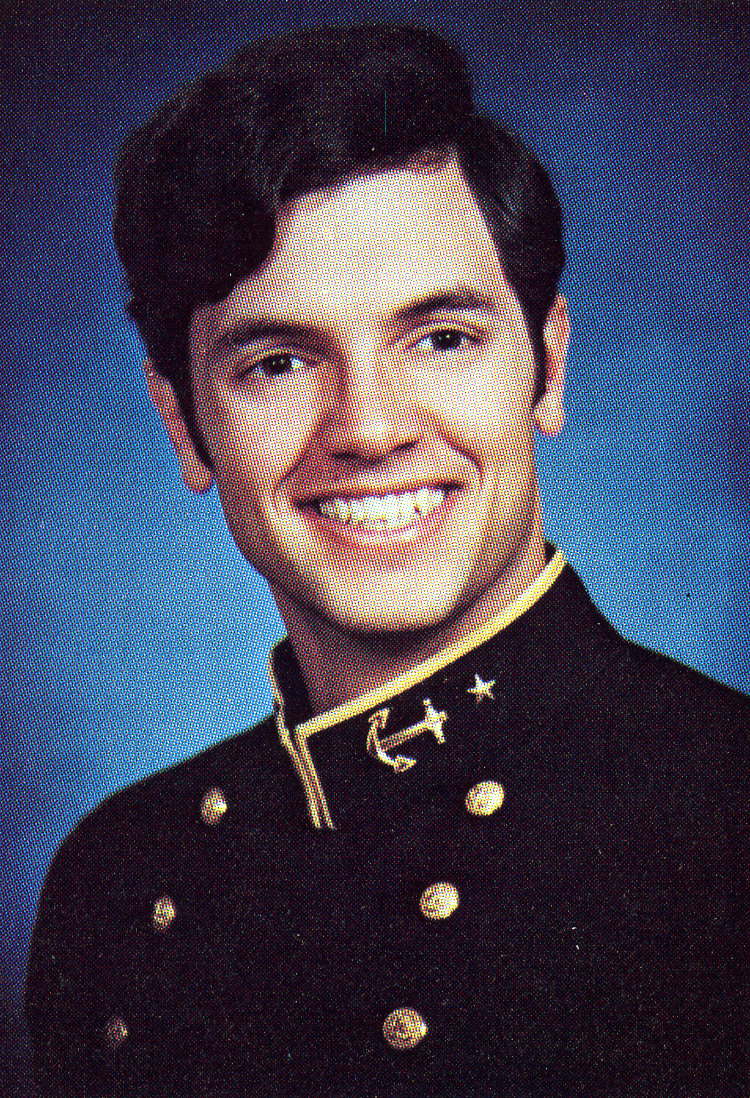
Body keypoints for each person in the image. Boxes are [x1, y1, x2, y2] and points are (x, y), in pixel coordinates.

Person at [25, 21, 748, 1098]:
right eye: (278, 362)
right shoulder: (118, 880)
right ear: (183, 424)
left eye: (441, 338)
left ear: (547, 368)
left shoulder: (726, 816)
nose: (369, 429)